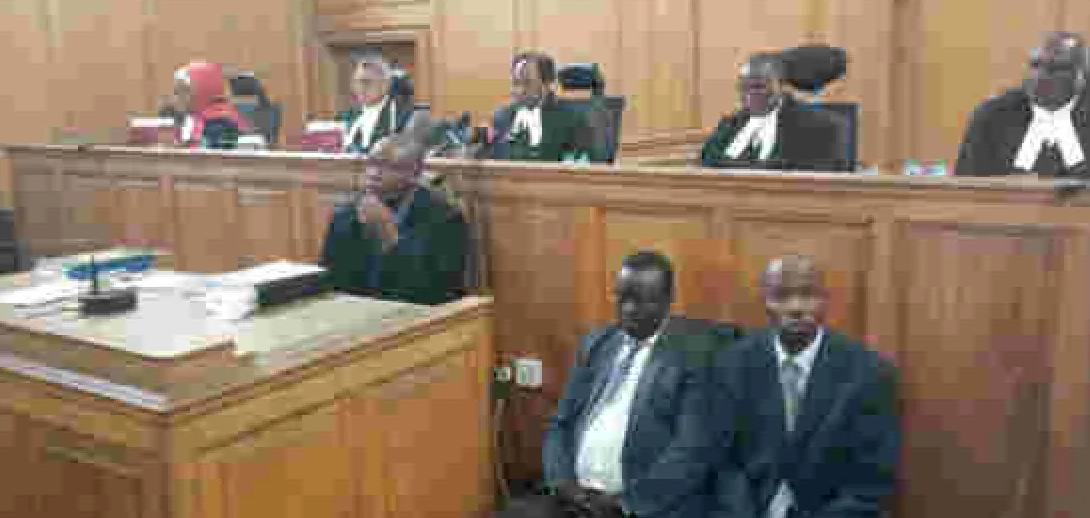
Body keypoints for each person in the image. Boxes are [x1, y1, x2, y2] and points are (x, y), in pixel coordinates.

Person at [499, 250, 728, 518]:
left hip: (638, 506)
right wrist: (562, 485)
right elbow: (561, 423)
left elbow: (691, 451)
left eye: (640, 301)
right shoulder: (597, 344)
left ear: (667, 301)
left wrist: (624, 505)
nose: (627, 309)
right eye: (622, 298)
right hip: (575, 498)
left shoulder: (695, 358)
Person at [710, 255, 900, 518]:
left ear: (825, 300)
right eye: (781, 296)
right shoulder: (731, 365)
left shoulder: (868, 372)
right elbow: (722, 461)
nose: (796, 308)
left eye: (808, 295)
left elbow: (872, 477)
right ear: (765, 301)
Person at [955, 32, 1090, 178]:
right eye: (1035, 65)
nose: (1040, 77)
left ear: (1081, 76)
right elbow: (966, 185)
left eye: (1056, 68)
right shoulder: (994, 115)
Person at [318, 129, 467, 306]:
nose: (374, 173)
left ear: (415, 173)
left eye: (388, 166)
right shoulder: (346, 214)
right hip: (358, 311)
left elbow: (436, 291)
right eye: (372, 163)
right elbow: (331, 280)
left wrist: (389, 235)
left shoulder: (445, 218)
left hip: (418, 314)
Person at [700, 53, 850, 171]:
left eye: (759, 87)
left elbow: (820, 180)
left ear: (782, 86)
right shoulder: (731, 123)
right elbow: (706, 158)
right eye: (743, 87)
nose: (749, 95)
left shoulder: (822, 127)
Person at [493, 52, 595, 162]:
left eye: (527, 83)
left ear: (547, 83)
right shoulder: (502, 117)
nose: (519, 91)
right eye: (516, 83)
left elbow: (579, 166)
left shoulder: (573, 119)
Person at [337, 55, 414, 155]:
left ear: (385, 84)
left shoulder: (404, 115)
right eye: (356, 82)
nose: (359, 88)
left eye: (366, 82)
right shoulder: (346, 116)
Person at [174, 61, 251, 149]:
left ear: (203, 90)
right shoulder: (193, 118)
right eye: (176, 92)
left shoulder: (221, 124)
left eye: (183, 91)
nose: (176, 98)